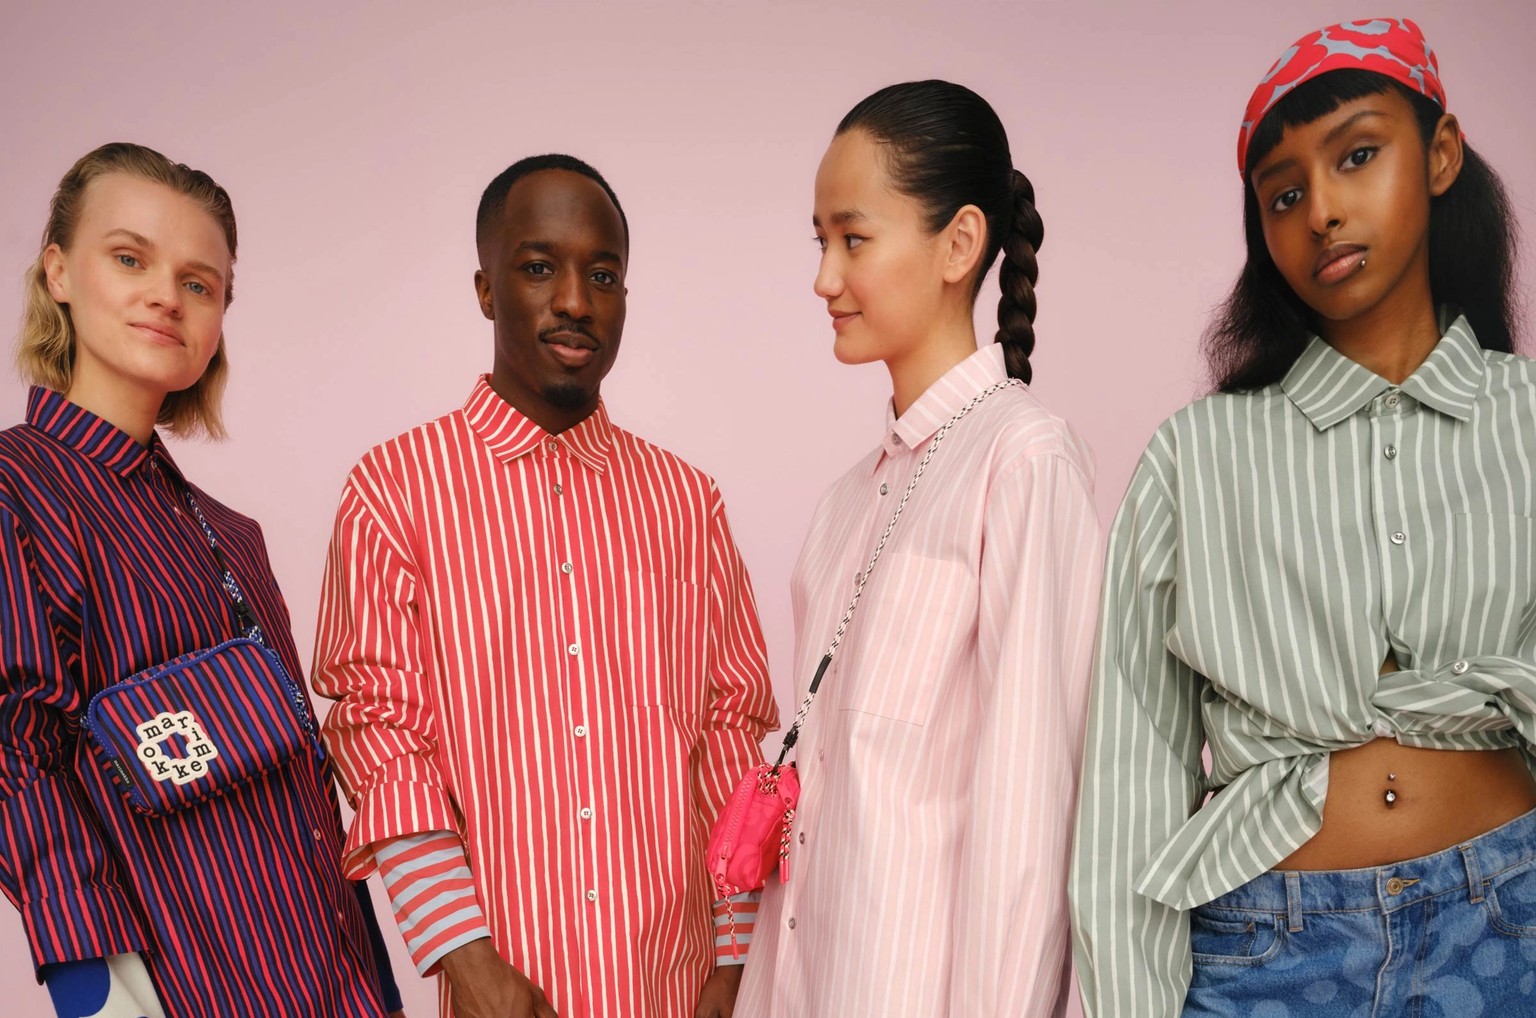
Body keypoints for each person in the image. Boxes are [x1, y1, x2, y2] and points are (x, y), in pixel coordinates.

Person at [1071, 18, 1536, 1016]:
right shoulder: (1194, 459)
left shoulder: (1530, 421)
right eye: (1284, 195)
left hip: (1510, 922)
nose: (1322, 210)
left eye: (1358, 155)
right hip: (1267, 948)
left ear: (1441, 153)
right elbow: (1129, 777)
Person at [311, 153, 779, 1018]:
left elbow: (727, 737)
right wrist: (471, 965)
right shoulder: (395, 490)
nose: (574, 300)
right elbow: (381, 740)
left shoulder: (686, 502)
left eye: (603, 275)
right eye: (538, 268)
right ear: (486, 289)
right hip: (503, 994)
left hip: (678, 995)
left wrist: (732, 961)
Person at [0, 142, 402, 1018]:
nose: (165, 296)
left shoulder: (233, 536)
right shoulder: (16, 488)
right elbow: (13, 747)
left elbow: (306, 797)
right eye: (131, 258)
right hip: (179, 988)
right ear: (59, 270)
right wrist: (89, 984)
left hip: (334, 984)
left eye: (199, 282)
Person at [734, 80, 1102, 1017]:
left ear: (960, 244)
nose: (824, 277)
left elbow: (1027, 824)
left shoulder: (1023, 461)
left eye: (853, 239)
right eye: (819, 241)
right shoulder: (840, 507)